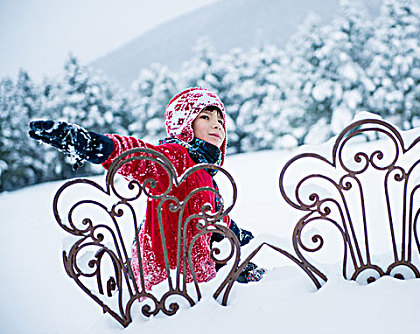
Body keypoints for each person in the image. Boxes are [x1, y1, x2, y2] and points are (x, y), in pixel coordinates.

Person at [29, 87, 265, 291]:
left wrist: (237, 242)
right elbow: (137, 155)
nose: (217, 125)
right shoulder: (176, 157)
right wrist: (89, 144)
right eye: (205, 117)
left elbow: (211, 223)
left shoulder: (206, 175)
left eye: (220, 120)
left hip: (199, 284)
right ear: (184, 123)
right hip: (163, 290)